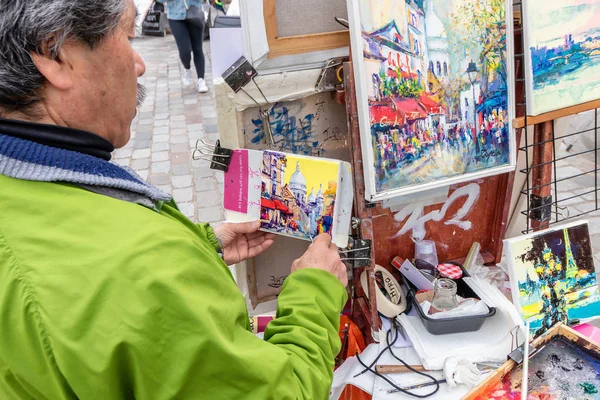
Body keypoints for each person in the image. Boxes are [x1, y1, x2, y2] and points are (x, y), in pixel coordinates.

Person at [0, 1, 348, 399]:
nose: (140, 64)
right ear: (55, 55)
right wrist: (316, 293)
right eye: (127, 36)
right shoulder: (146, 268)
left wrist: (197, 246)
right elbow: (283, 392)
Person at [157, 0, 209, 92]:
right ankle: (187, 69)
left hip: (195, 12)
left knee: (198, 48)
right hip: (175, 16)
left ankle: (201, 80)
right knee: (185, 50)